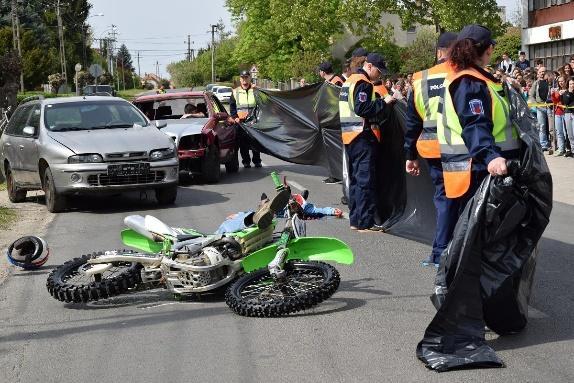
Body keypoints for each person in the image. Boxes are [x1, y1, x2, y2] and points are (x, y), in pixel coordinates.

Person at [437, 24, 520, 245]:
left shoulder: (474, 79)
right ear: (488, 49)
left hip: (479, 166)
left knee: (478, 235)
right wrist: (490, 156)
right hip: (478, 168)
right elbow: (474, 123)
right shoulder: (469, 82)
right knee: (478, 237)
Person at [405, 31, 458, 267]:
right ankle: (450, 253)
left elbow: (412, 122)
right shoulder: (463, 74)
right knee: (460, 202)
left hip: (431, 150)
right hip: (460, 150)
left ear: (438, 52)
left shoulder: (420, 79)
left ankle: (438, 253)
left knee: (443, 200)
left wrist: (410, 155)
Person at [339, 53, 395, 232]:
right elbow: (362, 108)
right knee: (365, 181)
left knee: (356, 180)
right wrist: (384, 103)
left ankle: (356, 220)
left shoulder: (349, 81)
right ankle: (365, 222)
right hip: (362, 136)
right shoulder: (363, 83)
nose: (380, 75)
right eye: (379, 71)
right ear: (369, 66)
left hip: (350, 136)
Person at [229, 70, 261, 168]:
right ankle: (246, 161)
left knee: (255, 142)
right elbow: (232, 107)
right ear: (240, 79)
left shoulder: (255, 90)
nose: (244, 80)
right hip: (241, 122)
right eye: (242, 78)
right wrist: (235, 117)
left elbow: (262, 103)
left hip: (253, 121)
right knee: (243, 144)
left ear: (249, 78)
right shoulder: (235, 92)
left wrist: (259, 89)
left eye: (246, 78)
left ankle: (257, 161)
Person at [529, 66, 552, 152]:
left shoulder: (550, 82)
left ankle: (553, 144)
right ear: (538, 73)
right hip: (540, 107)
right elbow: (531, 95)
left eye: (544, 71)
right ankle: (544, 144)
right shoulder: (536, 83)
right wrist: (536, 104)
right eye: (541, 72)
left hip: (549, 107)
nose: (542, 73)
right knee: (542, 126)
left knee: (551, 128)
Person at [551, 76, 569, 156]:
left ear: (565, 81)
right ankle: (561, 149)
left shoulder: (569, 90)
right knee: (559, 132)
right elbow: (554, 101)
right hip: (558, 113)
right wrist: (553, 94)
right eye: (559, 81)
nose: (561, 82)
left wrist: (565, 93)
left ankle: (568, 148)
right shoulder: (557, 90)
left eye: (562, 81)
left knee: (567, 133)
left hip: (566, 113)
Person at [562, 78, 574, 154]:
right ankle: (573, 150)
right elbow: (566, 102)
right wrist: (570, 92)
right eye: (570, 84)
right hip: (568, 113)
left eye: (573, 83)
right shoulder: (566, 93)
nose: (572, 85)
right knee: (570, 134)